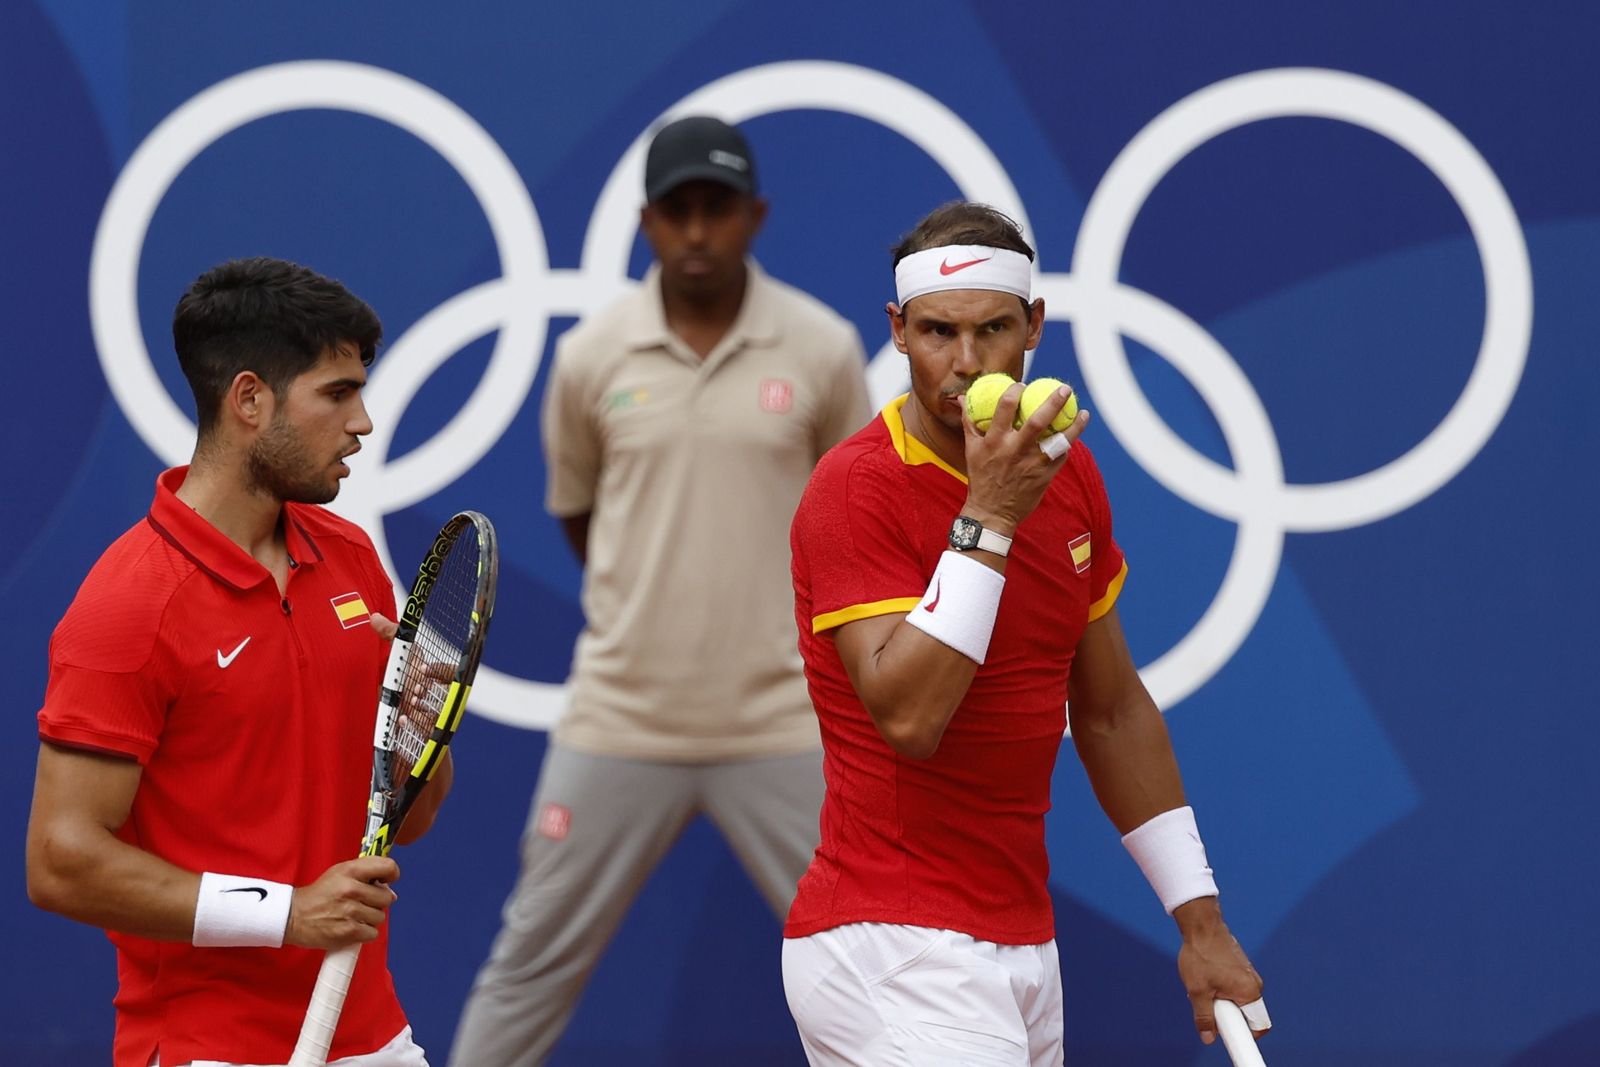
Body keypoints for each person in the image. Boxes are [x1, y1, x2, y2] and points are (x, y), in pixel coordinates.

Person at [781, 202, 1270, 1065]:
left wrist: (1202, 923)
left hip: (1022, 948)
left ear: (1034, 326)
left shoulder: (1069, 472)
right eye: (936, 331)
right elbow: (909, 718)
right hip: (889, 942)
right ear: (896, 331)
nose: (964, 365)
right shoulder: (855, 487)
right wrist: (993, 512)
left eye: (992, 330)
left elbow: (1112, 710)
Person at [448, 116, 871, 1066]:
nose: (695, 232)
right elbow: (583, 517)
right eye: (676, 211)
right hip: (621, 718)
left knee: (870, 969)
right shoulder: (592, 356)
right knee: (528, 965)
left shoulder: (823, 347)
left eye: (715, 209)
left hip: (787, 723)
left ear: (754, 215)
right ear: (645, 222)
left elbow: (858, 524)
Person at [25, 257, 449, 1067]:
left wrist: (424, 731)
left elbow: (412, 816)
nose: (363, 421)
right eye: (337, 392)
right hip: (204, 1047)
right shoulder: (129, 603)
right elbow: (61, 861)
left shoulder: (354, 559)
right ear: (249, 399)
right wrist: (285, 913)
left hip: (373, 1036)